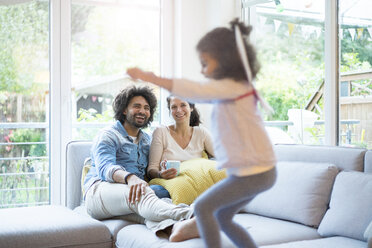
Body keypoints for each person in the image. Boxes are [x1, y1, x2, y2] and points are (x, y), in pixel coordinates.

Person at [127, 18, 277, 248]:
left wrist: (152, 78)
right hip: (255, 172)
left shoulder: (233, 88)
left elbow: (193, 90)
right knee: (221, 217)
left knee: (203, 208)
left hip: (255, 171)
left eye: (205, 63)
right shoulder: (233, 90)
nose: (202, 70)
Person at [83, 85, 193, 234]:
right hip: (99, 193)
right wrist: (130, 178)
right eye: (137, 106)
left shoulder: (147, 140)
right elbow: (105, 168)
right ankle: (196, 214)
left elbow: (149, 172)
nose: (142, 111)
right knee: (143, 193)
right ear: (124, 110)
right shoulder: (108, 135)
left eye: (147, 108)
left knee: (157, 204)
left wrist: (161, 172)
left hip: (129, 199)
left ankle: (177, 231)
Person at [148, 95, 214, 198]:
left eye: (183, 105)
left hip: (195, 184)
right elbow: (151, 169)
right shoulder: (161, 132)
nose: (179, 110)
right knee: (153, 191)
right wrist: (161, 174)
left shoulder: (201, 133)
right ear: (170, 110)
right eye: (174, 107)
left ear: (191, 108)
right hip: (169, 186)